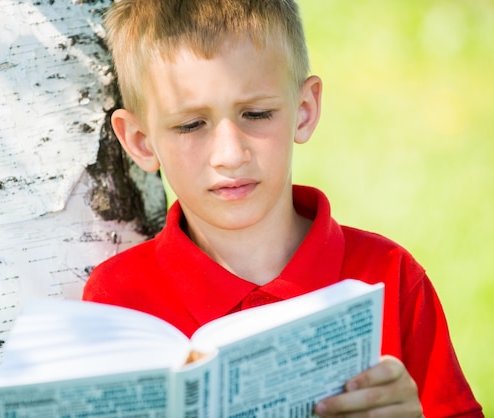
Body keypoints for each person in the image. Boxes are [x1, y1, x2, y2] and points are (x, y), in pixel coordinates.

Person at [82, 0, 483, 416]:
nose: (229, 155)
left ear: (304, 111)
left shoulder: (389, 277)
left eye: (256, 114)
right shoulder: (117, 300)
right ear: (142, 141)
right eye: (190, 125)